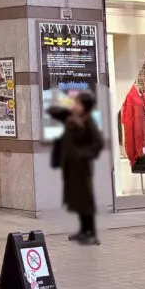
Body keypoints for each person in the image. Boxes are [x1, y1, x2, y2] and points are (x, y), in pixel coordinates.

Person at [51, 92, 105, 246]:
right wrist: (69, 109)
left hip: (82, 167)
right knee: (77, 199)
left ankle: (91, 233)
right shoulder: (72, 118)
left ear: (84, 107)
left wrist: (81, 154)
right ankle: (83, 230)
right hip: (71, 166)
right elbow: (53, 111)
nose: (75, 105)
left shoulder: (88, 121)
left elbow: (98, 143)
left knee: (85, 200)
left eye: (78, 103)